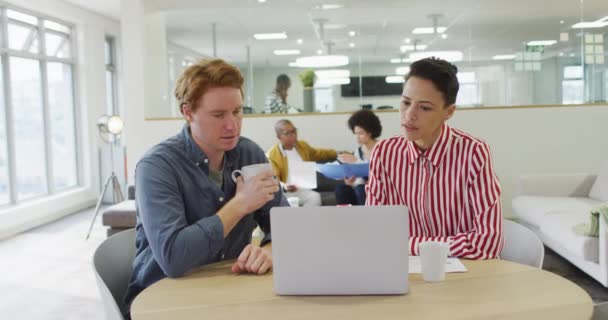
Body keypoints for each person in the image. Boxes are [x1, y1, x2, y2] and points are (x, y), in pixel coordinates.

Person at [124, 58, 287, 317]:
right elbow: (174, 259)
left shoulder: (249, 153)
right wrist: (239, 205)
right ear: (188, 112)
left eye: (237, 111)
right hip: (164, 299)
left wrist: (268, 250)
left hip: (228, 290)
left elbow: (285, 225)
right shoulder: (156, 167)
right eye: (218, 115)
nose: (232, 125)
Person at [366, 57, 503, 259]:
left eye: (425, 107)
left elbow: (487, 244)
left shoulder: (474, 152)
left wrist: (405, 244)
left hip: (467, 273)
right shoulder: (385, 153)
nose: (409, 115)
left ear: (449, 111)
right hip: (406, 272)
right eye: (405, 102)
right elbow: (375, 233)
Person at [267, 119, 337, 206]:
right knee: (287, 203)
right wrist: (285, 187)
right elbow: (274, 178)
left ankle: (306, 219)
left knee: (315, 197)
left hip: (304, 190)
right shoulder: (272, 155)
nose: (293, 135)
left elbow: (318, 154)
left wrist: (337, 154)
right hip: (285, 192)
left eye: (294, 131)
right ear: (279, 137)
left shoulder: (302, 146)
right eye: (287, 133)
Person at [335, 109, 382, 205]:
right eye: (356, 133)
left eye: (361, 133)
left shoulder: (383, 149)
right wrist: (350, 181)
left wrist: (356, 162)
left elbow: (382, 175)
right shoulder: (357, 152)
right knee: (341, 189)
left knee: (361, 189)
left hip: (378, 190)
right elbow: (356, 178)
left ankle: (367, 218)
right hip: (359, 190)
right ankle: (346, 219)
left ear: (370, 132)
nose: (357, 137)